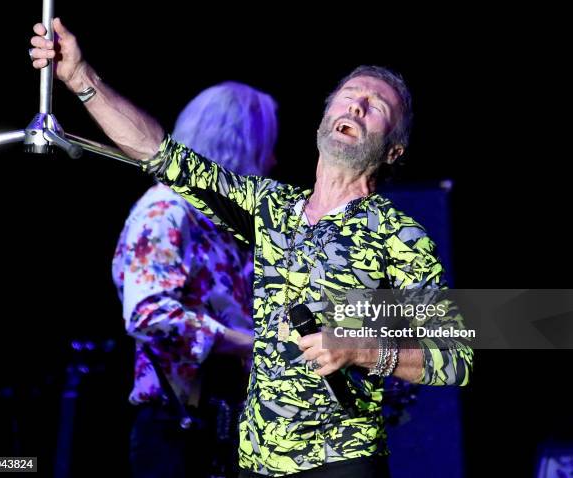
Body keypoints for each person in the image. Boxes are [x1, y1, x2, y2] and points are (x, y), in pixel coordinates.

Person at [31, 19, 473, 478]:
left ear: (394, 151)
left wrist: (362, 350)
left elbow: (455, 357)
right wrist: (81, 78)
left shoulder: (399, 235)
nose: (358, 105)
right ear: (325, 116)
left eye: (376, 106)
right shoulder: (270, 206)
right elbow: (160, 153)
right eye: (349, 96)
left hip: (341, 461)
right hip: (254, 462)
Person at [30, 19, 278, 478]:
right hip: (178, 432)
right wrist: (246, 343)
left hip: (238, 431)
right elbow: (149, 314)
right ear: (241, 144)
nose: (274, 161)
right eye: (268, 147)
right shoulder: (166, 209)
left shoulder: (235, 229)